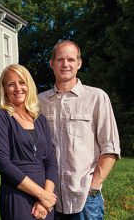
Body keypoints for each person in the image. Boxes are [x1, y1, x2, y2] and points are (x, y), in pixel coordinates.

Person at [39, 40, 121, 219]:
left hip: (85, 199)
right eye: (60, 59)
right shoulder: (39, 102)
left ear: (79, 63)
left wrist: (94, 187)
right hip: (49, 198)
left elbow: (111, 147)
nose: (65, 64)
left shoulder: (97, 98)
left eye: (70, 59)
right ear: (52, 63)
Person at [0, 64, 58, 220]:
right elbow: (3, 164)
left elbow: (51, 161)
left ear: (29, 85)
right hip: (17, 196)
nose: (17, 88)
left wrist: (44, 200)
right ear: (4, 89)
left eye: (22, 82)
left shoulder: (40, 120)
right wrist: (42, 195)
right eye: (11, 84)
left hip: (45, 202)